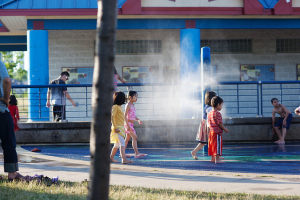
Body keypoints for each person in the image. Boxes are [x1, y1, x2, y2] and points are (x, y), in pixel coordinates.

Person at [0, 60, 23, 180]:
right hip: (1, 111)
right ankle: (12, 173)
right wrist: (6, 98)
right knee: (9, 142)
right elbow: (7, 80)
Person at [191, 91, 216, 160]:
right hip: (208, 126)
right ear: (209, 100)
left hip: (205, 125)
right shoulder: (209, 108)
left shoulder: (207, 107)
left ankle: (194, 151)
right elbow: (210, 118)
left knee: (204, 142)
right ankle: (215, 156)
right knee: (211, 141)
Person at [110, 91, 133, 164]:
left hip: (120, 127)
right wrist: (115, 127)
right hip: (117, 128)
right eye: (123, 98)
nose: (125, 99)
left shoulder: (119, 107)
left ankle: (110, 158)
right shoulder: (116, 107)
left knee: (117, 144)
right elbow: (113, 117)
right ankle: (124, 159)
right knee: (122, 143)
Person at [124, 91, 146, 158]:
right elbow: (124, 116)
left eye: (137, 96)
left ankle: (122, 153)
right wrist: (127, 125)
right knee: (135, 137)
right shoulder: (128, 105)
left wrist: (138, 120)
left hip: (130, 124)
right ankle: (137, 153)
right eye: (135, 96)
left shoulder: (133, 105)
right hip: (128, 125)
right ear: (130, 97)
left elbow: (133, 116)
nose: (137, 98)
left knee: (127, 139)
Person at [207, 96, 229, 164]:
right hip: (217, 133)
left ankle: (212, 158)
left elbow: (208, 123)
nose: (222, 107)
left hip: (211, 132)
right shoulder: (218, 113)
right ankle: (217, 159)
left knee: (212, 145)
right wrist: (225, 129)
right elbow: (220, 123)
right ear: (218, 104)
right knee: (217, 145)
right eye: (221, 105)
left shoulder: (210, 113)